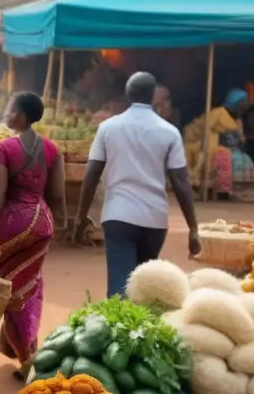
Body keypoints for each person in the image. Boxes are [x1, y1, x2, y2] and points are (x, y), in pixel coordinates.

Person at [75, 72, 201, 299]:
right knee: (143, 287)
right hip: (154, 220)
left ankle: (118, 331)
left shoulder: (108, 128)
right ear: (153, 95)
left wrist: (81, 217)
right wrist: (193, 227)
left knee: (119, 288)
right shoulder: (169, 132)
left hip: (118, 215)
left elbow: (92, 174)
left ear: (127, 93)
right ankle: (141, 333)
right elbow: (180, 182)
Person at [0, 92, 67, 377]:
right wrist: (59, 225)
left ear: (21, 115)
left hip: (13, 224)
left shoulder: (1, 148)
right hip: (42, 223)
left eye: (10, 108)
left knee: (10, 290)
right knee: (30, 285)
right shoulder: (53, 149)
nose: (6, 112)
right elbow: (57, 194)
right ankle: (20, 346)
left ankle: (28, 357)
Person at [184, 88, 254, 199]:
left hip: (229, 149)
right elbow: (204, 129)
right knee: (221, 157)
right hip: (210, 146)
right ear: (235, 103)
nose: (244, 109)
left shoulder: (237, 119)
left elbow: (239, 137)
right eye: (242, 105)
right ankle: (212, 190)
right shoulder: (218, 113)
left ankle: (226, 190)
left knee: (241, 161)